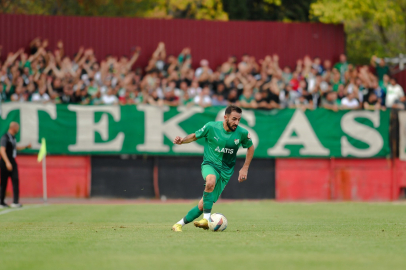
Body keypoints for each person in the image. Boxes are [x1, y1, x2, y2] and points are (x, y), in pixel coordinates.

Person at [171, 105, 255, 232]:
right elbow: (195, 136)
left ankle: (178, 224)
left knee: (202, 204)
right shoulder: (211, 126)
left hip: (226, 171)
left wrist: (245, 168)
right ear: (225, 117)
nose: (236, 122)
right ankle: (206, 219)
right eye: (233, 119)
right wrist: (182, 140)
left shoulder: (242, 133)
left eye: (238, 119)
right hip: (210, 164)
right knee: (210, 181)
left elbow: (250, 147)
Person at [0, 122, 31, 208]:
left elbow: (15, 147)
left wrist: (26, 146)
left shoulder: (13, 138)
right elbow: (2, 150)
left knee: (15, 180)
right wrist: (7, 162)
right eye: (18, 128)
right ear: (14, 128)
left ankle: (15, 202)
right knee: (3, 182)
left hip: (12, 161)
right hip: (5, 162)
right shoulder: (5, 137)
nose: (18, 129)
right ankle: (1, 202)